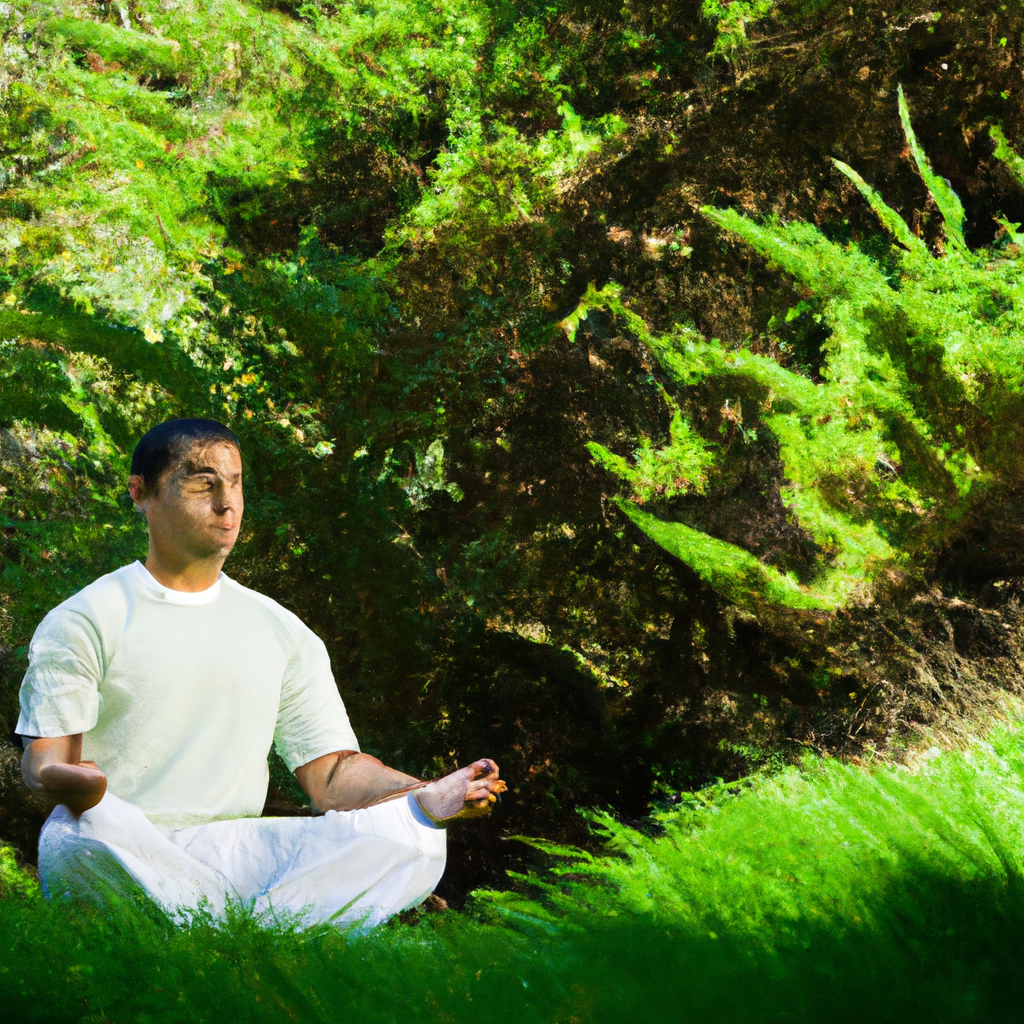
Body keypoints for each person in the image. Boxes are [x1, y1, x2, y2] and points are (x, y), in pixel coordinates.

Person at [17, 418, 505, 929]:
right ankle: (248, 930)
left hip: (231, 848)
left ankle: (228, 924)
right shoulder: (86, 617)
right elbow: (43, 764)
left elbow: (333, 775)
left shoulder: (281, 630)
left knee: (400, 838)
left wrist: (425, 793)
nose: (227, 505)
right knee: (82, 838)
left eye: (236, 483)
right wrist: (77, 783)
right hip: (117, 839)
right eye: (203, 483)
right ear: (141, 492)